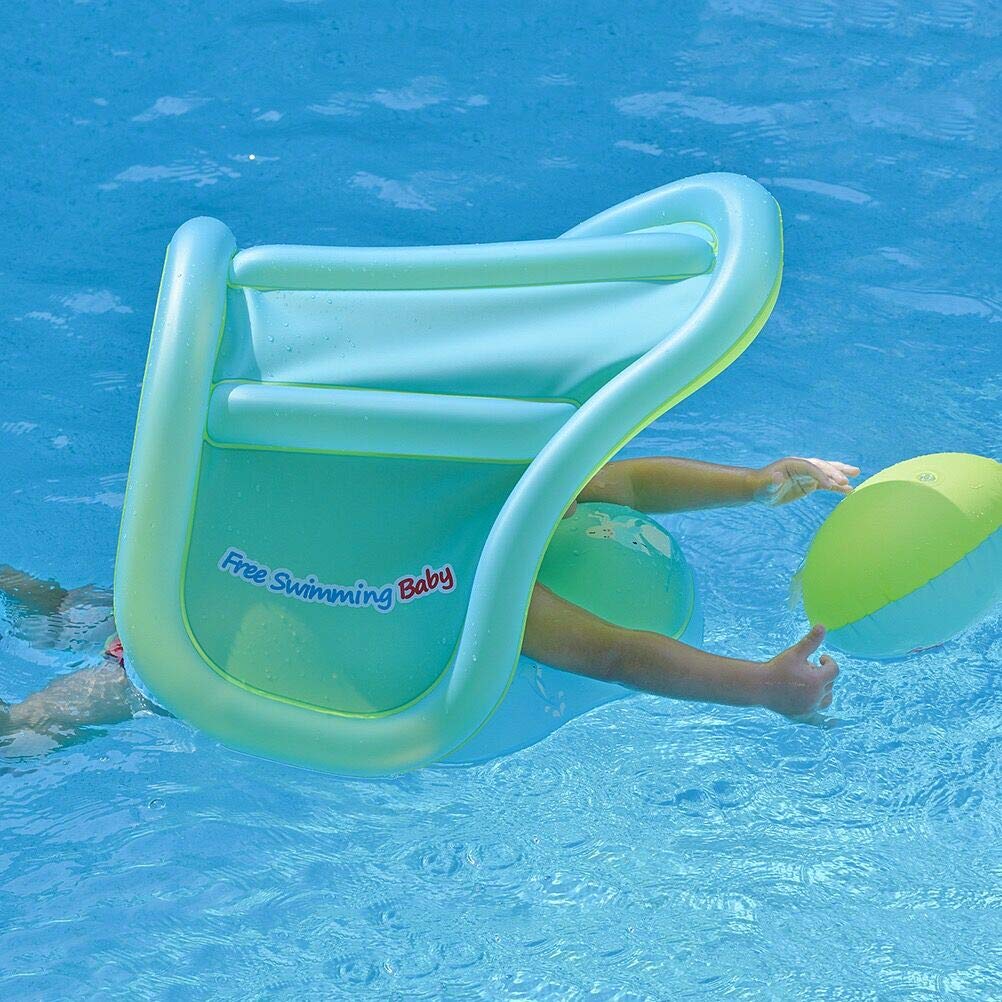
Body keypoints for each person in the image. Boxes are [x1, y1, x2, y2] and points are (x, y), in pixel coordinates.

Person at [1, 454, 857, 751]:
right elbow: (615, 653)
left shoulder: (458, 487)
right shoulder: (481, 581)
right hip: (197, 659)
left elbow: (626, 481)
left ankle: (29, 595)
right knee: (43, 722)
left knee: (72, 609)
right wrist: (760, 685)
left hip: (188, 594)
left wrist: (755, 483)